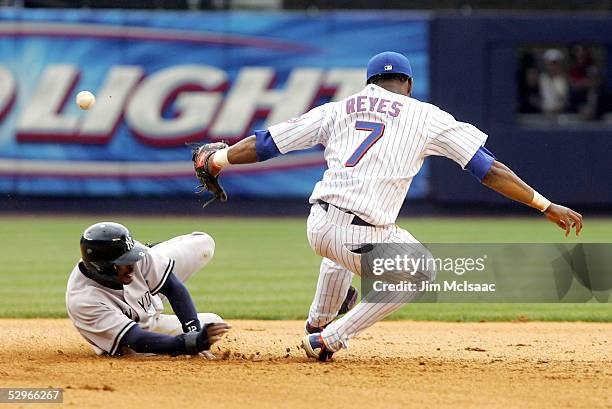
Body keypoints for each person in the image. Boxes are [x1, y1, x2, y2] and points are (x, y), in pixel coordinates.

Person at [192, 51, 583, 361]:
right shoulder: (426, 116)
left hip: (319, 225)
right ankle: (331, 338)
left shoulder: (338, 108)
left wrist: (219, 160)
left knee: (349, 251)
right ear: (407, 84)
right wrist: (545, 205)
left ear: (369, 84)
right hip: (361, 232)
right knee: (421, 272)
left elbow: (266, 144)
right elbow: (488, 169)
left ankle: (317, 322)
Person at [66, 222, 231, 357]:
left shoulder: (129, 254)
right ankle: (156, 264)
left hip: (147, 295)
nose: (132, 265)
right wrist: (188, 344)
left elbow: (173, 287)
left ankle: (156, 258)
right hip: (139, 331)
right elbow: (136, 339)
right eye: (125, 262)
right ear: (103, 267)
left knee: (203, 243)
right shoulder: (83, 300)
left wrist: (193, 331)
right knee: (213, 322)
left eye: (132, 257)